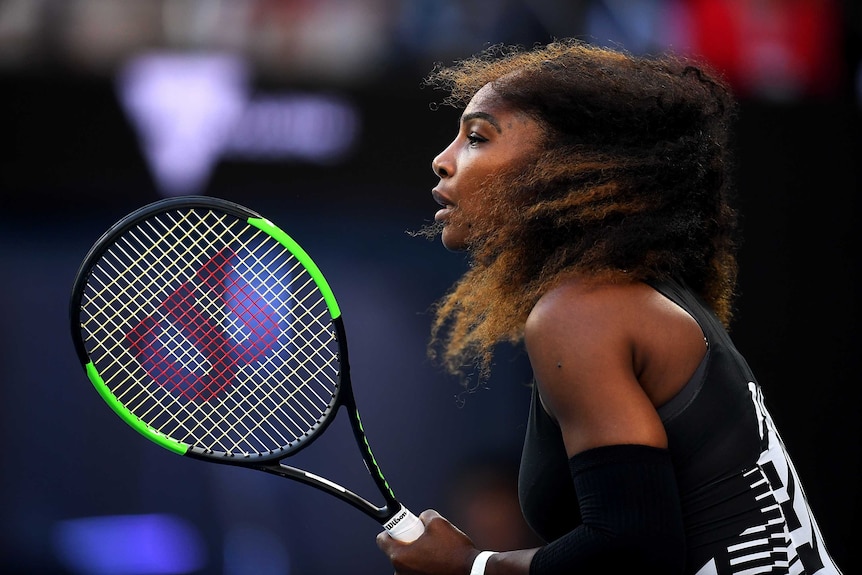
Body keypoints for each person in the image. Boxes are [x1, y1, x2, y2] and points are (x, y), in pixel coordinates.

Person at [376, 39, 844, 575]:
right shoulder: (637, 295)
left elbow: (631, 553)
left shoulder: (581, 313)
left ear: (571, 168)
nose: (443, 161)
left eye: (477, 138)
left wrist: (471, 565)